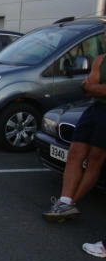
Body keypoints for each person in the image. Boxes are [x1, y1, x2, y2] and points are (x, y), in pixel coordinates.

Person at [43, 52, 106, 222]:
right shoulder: (101, 60)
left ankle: (69, 204)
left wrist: (92, 87)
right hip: (94, 109)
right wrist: (93, 88)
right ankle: (65, 201)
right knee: (75, 154)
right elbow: (87, 88)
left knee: (95, 159)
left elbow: (91, 87)